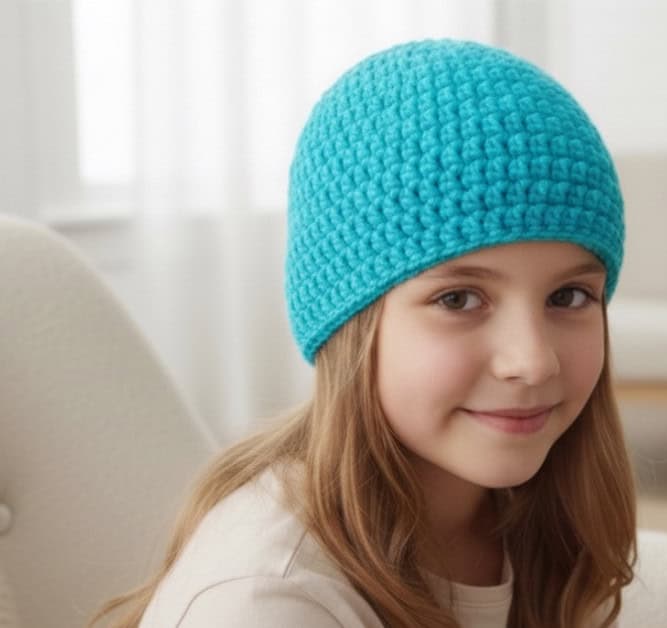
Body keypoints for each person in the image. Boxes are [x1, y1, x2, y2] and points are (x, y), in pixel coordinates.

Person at [88, 38, 636, 628]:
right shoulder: (267, 604)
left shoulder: (529, 514)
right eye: (457, 299)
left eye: (569, 296)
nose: (533, 360)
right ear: (349, 321)